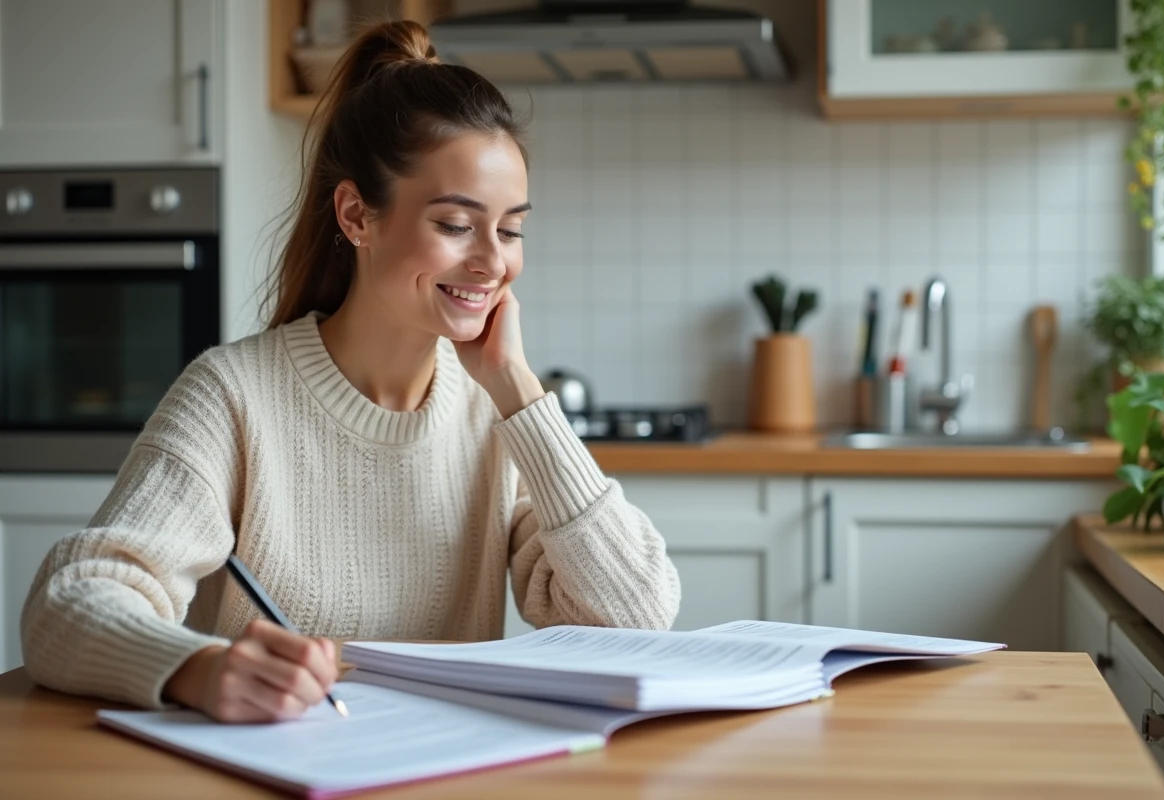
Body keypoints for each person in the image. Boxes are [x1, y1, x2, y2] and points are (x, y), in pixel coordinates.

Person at [20, 19, 680, 723]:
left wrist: (519, 391)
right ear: (357, 216)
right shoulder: (233, 396)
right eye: (457, 225)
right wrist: (198, 668)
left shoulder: (496, 414)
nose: (493, 260)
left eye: (511, 228)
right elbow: (67, 605)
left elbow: (636, 619)